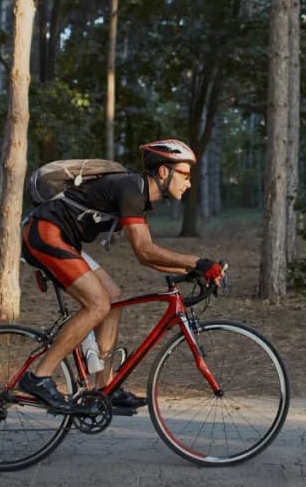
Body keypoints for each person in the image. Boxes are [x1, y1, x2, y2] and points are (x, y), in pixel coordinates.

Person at [18, 138, 226, 413]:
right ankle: (39, 377)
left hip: (63, 239)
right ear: (164, 172)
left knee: (113, 298)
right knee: (98, 304)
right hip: (44, 233)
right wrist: (198, 263)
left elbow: (146, 256)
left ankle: (106, 387)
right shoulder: (131, 190)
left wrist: (194, 270)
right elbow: (145, 251)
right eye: (185, 175)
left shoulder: (138, 195)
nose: (189, 183)